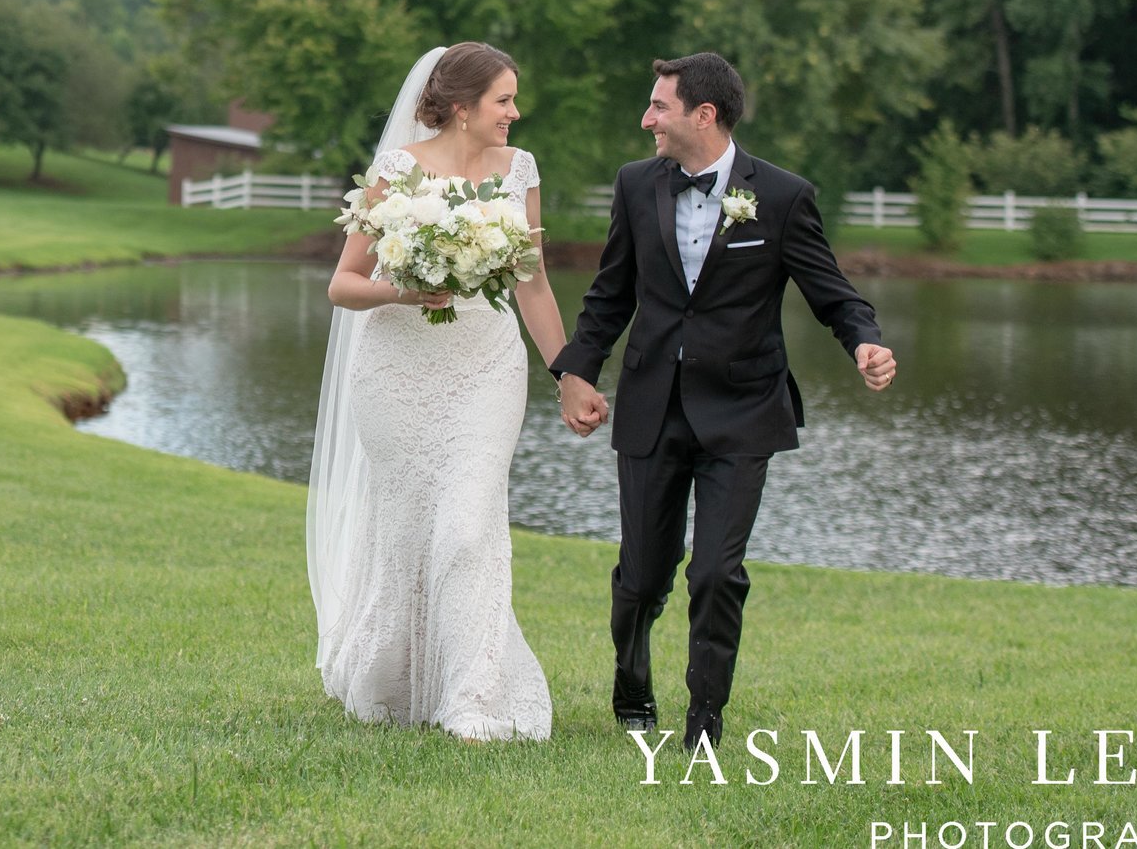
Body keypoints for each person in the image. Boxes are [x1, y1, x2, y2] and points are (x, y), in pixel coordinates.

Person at [551, 52, 898, 752]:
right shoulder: (634, 184)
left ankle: (703, 722)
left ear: (703, 114)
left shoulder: (783, 194)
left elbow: (831, 289)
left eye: (658, 106)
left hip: (743, 408)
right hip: (652, 403)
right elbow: (609, 294)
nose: (646, 118)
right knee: (644, 574)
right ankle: (632, 673)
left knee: (716, 570)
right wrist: (576, 373)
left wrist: (865, 340)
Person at [308, 42, 573, 740]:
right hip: (397, 370)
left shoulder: (520, 172)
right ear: (461, 106)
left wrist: (569, 373)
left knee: (467, 526)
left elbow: (534, 281)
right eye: (504, 100)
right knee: (408, 529)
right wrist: (405, 286)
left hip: (486, 365)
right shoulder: (398, 172)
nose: (516, 112)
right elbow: (343, 283)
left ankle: (473, 696)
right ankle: (397, 677)